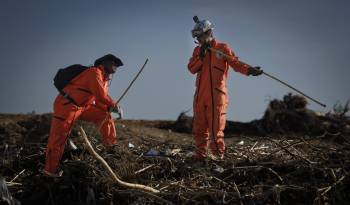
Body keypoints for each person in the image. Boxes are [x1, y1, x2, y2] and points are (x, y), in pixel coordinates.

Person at [188, 17, 263, 160]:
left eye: (201, 36)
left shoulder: (222, 48)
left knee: (216, 130)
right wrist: (201, 56)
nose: (199, 40)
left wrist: (250, 70)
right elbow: (191, 68)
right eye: (197, 38)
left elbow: (236, 63)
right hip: (200, 97)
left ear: (209, 32)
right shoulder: (197, 51)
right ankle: (200, 156)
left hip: (217, 97)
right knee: (199, 129)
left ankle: (217, 157)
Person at [44, 54, 123, 177]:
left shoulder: (105, 80)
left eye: (117, 64)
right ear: (104, 63)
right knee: (59, 138)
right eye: (113, 62)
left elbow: (97, 100)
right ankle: (50, 171)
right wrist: (114, 105)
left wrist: (109, 108)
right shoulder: (94, 72)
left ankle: (110, 147)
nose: (116, 65)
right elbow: (100, 95)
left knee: (104, 116)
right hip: (67, 105)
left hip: (83, 107)